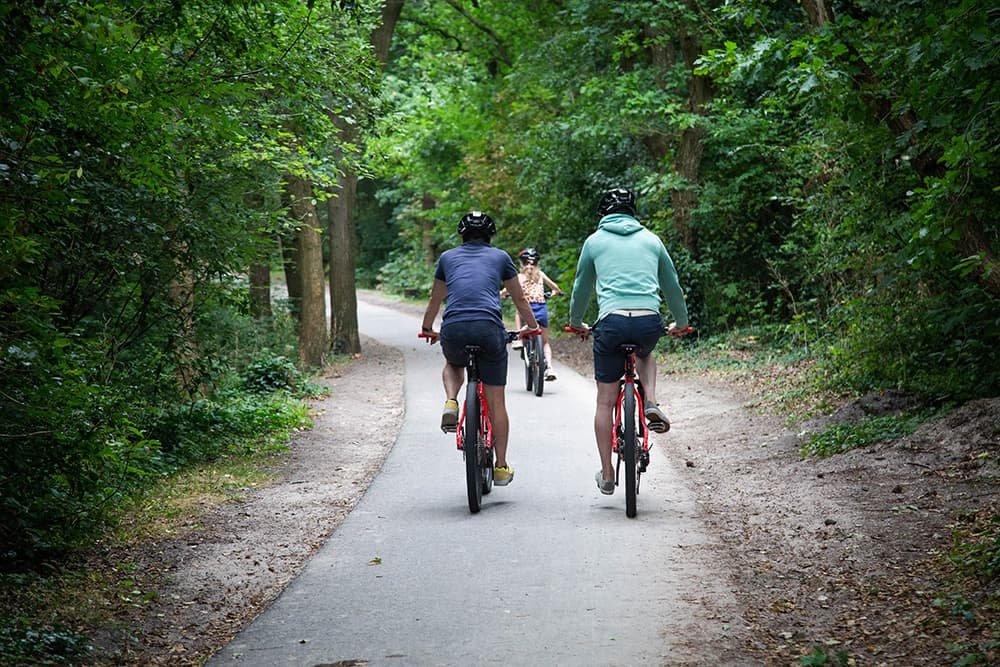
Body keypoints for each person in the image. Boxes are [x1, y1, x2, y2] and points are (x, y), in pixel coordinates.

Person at [566, 188, 689, 495]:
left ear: (603, 214)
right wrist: (682, 322)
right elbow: (671, 284)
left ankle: (607, 474)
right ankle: (649, 401)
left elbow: (582, 287)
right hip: (648, 319)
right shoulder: (651, 239)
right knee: (646, 353)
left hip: (612, 321)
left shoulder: (594, 242)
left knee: (605, 401)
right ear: (634, 212)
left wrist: (576, 322)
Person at [420, 211, 541, 486]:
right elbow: (520, 299)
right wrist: (531, 327)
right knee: (497, 401)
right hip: (489, 328)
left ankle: (451, 400)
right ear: (490, 235)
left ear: (461, 234)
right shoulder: (500, 257)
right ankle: (500, 466)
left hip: (455, 328)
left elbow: (436, 298)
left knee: (453, 363)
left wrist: (428, 327)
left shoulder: (447, 258)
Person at [508, 247, 563, 380]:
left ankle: (520, 339)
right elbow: (556, 288)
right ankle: (549, 367)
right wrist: (554, 293)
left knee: (518, 310)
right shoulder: (541, 275)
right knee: (545, 342)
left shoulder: (519, 277)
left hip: (526, 311)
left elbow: (506, 291)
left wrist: (501, 294)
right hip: (541, 309)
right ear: (536, 263)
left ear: (522, 263)